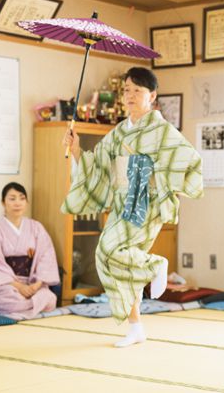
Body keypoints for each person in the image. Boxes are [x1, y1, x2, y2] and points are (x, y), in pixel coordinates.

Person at [62, 67, 203, 347]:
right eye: (126, 90)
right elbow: (99, 165)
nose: (130, 95)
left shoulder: (162, 131)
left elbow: (190, 160)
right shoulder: (119, 132)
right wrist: (76, 149)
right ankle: (136, 326)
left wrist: (154, 170)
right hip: (121, 201)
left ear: (152, 96)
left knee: (107, 250)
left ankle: (154, 265)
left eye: (137, 90)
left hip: (146, 202)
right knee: (111, 261)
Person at [0, 182, 60, 320]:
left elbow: (46, 257)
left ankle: (17, 307)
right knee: (9, 299)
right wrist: (19, 287)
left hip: (31, 282)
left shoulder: (36, 228)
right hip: (7, 285)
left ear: (27, 202)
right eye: (12, 198)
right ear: (3, 203)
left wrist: (37, 284)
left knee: (49, 298)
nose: (18, 203)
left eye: (22, 198)